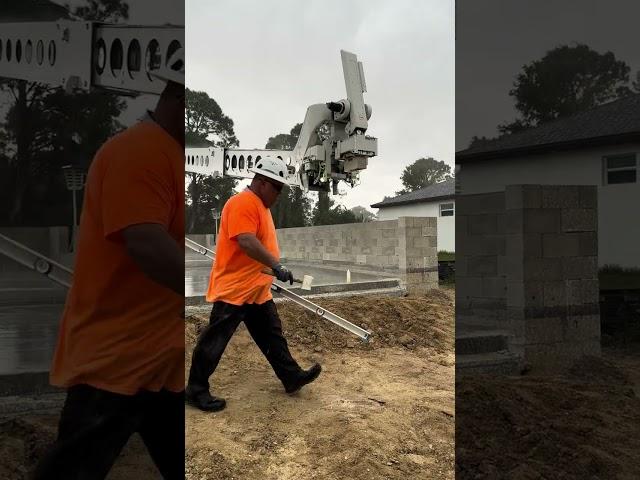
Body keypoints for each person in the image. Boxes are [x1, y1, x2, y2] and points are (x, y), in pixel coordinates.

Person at [33, 48, 186, 479]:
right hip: (114, 362)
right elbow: (146, 242)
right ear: (177, 97)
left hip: (160, 359)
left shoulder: (170, 154)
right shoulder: (140, 151)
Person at [185, 156, 321, 412]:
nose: (279, 193)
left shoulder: (260, 206)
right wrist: (277, 266)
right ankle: (195, 389)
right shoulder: (242, 203)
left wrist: (273, 269)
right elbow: (246, 241)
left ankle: (291, 377)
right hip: (235, 288)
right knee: (213, 341)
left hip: (256, 288)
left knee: (272, 335)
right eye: (277, 187)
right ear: (260, 182)